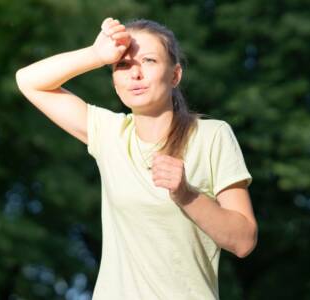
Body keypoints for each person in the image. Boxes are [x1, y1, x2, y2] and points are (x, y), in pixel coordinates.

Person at [16, 17, 258, 300]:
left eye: (149, 61)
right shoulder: (108, 133)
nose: (135, 73)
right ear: (114, 81)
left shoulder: (212, 135)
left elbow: (243, 241)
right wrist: (96, 55)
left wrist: (185, 194)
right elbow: (28, 81)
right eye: (123, 64)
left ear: (175, 75)